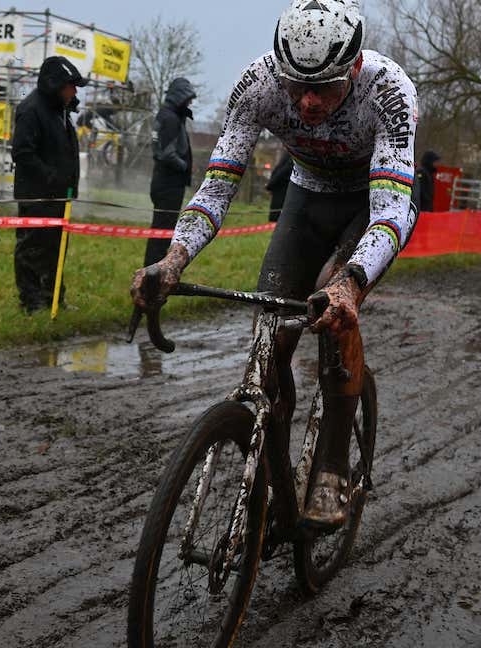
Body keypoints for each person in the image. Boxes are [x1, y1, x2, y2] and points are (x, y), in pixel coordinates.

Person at [130, 0, 419, 528]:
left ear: (353, 68)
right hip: (306, 199)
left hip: (369, 206)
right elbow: (217, 186)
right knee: (273, 334)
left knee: (334, 312)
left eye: (324, 89)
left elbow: (391, 213)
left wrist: (349, 285)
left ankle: (332, 464)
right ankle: (274, 468)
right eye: (296, 87)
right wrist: (173, 260)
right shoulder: (259, 85)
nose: (307, 102)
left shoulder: (389, 91)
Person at [11, 56, 88, 314]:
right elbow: (22, 152)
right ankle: (31, 303)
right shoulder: (31, 110)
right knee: (32, 249)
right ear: (55, 85)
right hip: (36, 195)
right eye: (71, 86)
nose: (75, 92)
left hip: (58, 196)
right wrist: (50, 176)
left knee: (56, 249)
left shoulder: (61, 111)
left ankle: (54, 298)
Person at [146, 77, 197, 267]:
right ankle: (152, 274)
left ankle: (153, 271)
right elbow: (167, 153)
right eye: (188, 99)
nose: (190, 103)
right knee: (161, 234)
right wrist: (184, 166)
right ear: (180, 97)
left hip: (163, 182)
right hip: (169, 185)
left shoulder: (165, 115)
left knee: (160, 232)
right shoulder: (170, 118)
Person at [265, 153, 294, 222]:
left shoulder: (292, 155)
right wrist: (270, 185)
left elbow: (283, 171)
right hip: (280, 188)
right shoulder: (290, 154)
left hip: (283, 189)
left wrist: (270, 185)